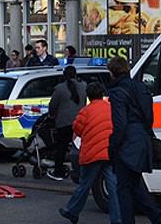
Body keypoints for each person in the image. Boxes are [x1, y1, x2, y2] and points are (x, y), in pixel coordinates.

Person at [107, 57, 161, 224]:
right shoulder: (141, 88)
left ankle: (133, 220)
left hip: (127, 143)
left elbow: (120, 125)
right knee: (134, 185)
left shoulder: (117, 93)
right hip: (142, 139)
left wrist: (113, 146)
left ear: (112, 73)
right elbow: (149, 118)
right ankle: (157, 217)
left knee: (123, 188)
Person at [58, 82, 120, 224]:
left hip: (92, 153)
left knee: (84, 184)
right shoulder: (110, 108)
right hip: (109, 151)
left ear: (88, 96)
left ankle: (73, 211)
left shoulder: (85, 111)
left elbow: (77, 129)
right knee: (112, 186)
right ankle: (117, 219)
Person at [47, 65, 87, 181]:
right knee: (80, 148)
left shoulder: (60, 88)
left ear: (64, 75)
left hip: (63, 123)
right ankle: (82, 171)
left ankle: (58, 172)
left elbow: (53, 106)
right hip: (79, 122)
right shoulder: (83, 87)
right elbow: (83, 104)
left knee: (61, 148)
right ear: (75, 75)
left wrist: (51, 116)